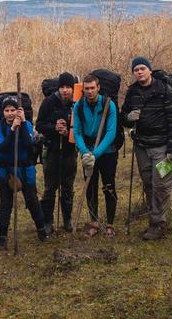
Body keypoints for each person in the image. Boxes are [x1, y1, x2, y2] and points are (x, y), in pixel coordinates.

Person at [120, 57, 172, 240]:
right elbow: (123, 116)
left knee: (161, 185)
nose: (139, 72)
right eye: (136, 69)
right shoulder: (132, 92)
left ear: (149, 70)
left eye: (142, 68)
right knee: (149, 184)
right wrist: (128, 118)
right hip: (142, 147)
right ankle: (154, 218)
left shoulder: (165, 90)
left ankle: (159, 224)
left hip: (163, 148)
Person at [0, 96, 48, 249]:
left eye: (13, 110)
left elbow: (29, 145)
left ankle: (42, 230)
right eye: (7, 110)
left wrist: (23, 124)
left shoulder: (28, 125)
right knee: (6, 203)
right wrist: (12, 130)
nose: (10, 114)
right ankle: (2, 236)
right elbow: (2, 148)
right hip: (7, 170)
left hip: (25, 169)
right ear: (2, 112)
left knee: (32, 200)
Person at [72, 74, 118, 237]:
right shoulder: (78, 106)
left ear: (98, 88)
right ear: (83, 89)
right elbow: (76, 131)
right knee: (90, 187)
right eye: (87, 88)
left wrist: (96, 154)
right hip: (87, 151)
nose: (90, 91)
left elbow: (111, 132)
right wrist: (85, 153)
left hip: (107, 151)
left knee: (108, 186)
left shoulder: (108, 104)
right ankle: (94, 222)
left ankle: (110, 224)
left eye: (92, 88)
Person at [36, 72, 78, 233]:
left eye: (68, 87)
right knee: (50, 188)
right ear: (58, 88)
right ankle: (48, 221)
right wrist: (54, 127)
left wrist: (68, 132)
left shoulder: (76, 104)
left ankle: (67, 219)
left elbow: (80, 127)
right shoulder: (48, 102)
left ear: (73, 89)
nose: (65, 90)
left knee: (67, 187)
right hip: (51, 150)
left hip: (69, 151)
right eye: (62, 87)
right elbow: (39, 124)